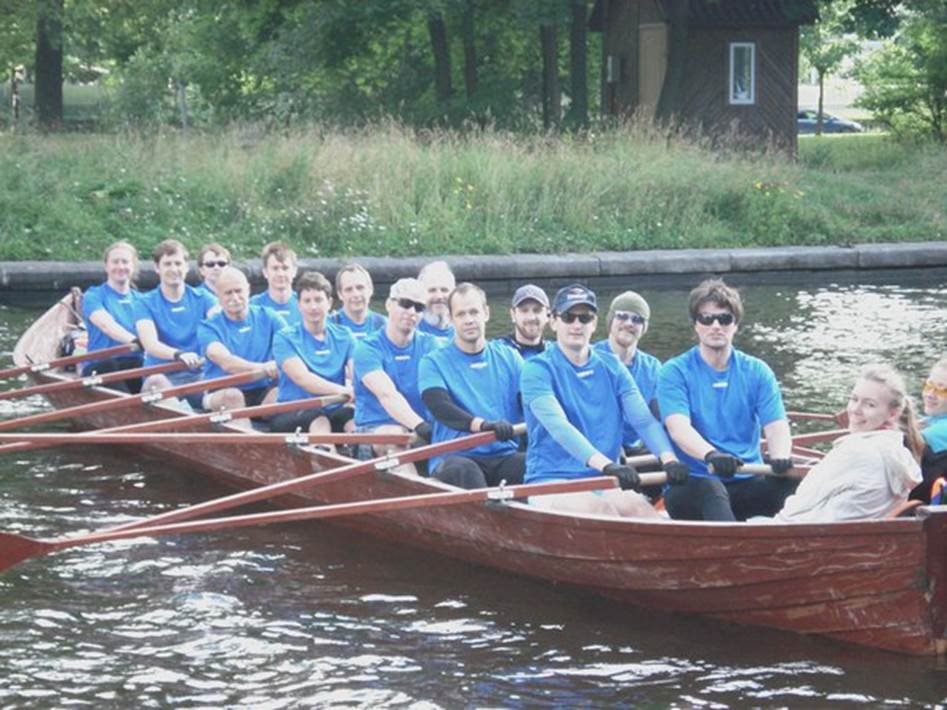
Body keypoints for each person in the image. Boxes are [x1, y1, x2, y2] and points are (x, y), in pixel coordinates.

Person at [520, 284, 687, 517]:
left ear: (594, 323)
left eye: (585, 317)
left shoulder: (612, 366)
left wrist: (668, 459)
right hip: (552, 480)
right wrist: (607, 465)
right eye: (569, 317)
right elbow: (559, 427)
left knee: (642, 511)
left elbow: (644, 421)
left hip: (602, 478)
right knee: (601, 510)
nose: (577, 325)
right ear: (554, 321)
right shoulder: (536, 370)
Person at [657, 278, 796, 522]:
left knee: (795, 486)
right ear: (696, 326)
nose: (715, 326)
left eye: (724, 319)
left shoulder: (758, 371)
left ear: (735, 325)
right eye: (706, 318)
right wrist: (711, 455)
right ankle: (736, 556)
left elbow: (776, 426)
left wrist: (781, 456)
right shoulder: (674, 371)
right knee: (712, 490)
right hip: (694, 482)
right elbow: (679, 429)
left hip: (747, 478)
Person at [773, 364, 923, 523]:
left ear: (892, 414)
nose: (855, 410)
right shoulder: (900, 454)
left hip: (814, 540)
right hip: (863, 541)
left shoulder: (855, 452)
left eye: (869, 404)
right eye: (854, 399)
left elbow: (795, 509)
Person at [419, 282, 525, 489]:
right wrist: (483, 425)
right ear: (450, 319)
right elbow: (440, 407)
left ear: (486, 313)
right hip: (455, 456)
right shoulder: (432, 362)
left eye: (474, 312)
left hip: (503, 454)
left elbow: (530, 401)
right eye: (461, 314)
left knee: (533, 466)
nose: (469, 320)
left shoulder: (510, 357)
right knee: (465, 471)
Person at [353, 277, 446, 459]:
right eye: (405, 303)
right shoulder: (367, 348)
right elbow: (388, 395)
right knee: (397, 437)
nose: (411, 311)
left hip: (420, 429)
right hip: (376, 431)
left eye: (419, 307)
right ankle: (418, 486)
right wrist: (421, 427)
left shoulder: (431, 345)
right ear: (388, 304)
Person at [271, 271, 355, 436]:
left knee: (355, 419)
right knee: (319, 419)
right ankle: (326, 455)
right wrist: (343, 390)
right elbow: (303, 378)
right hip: (293, 411)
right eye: (307, 301)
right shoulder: (284, 337)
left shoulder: (345, 336)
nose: (313, 307)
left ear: (329, 303)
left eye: (318, 300)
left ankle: (359, 452)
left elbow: (358, 372)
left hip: (333, 407)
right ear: (299, 305)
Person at [134, 239, 216, 396]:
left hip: (198, 375)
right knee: (156, 382)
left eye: (178, 264)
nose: (174, 269)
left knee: (229, 393)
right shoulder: (144, 303)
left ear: (186, 267)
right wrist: (179, 355)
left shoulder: (204, 298)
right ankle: (186, 414)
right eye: (168, 264)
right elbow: (150, 344)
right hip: (163, 376)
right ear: (157, 268)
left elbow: (221, 324)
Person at [197, 266, 283, 415]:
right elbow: (227, 362)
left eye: (238, 291)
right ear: (218, 296)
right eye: (228, 293)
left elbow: (292, 345)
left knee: (282, 393)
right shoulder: (208, 327)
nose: (235, 298)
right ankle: (248, 436)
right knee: (233, 397)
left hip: (262, 389)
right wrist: (263, 368)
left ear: (248, 290)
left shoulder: (269, 316)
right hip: (223, 391)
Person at [592, 291, 662, 453]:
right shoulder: (589, 358)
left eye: (637, 319)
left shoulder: (653, 368)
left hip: (637, 449)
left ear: (644, 327)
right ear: (610, 321)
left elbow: (660, 416)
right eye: (622, 316)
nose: (629, 323)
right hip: (595, 446)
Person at [80, 240, 143, 391]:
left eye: (125, 262)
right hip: (101, 365)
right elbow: (106, 325)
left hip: (134, 363)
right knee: (109, 366)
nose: (120, 267)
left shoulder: (142, 300)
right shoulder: (93, 296)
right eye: (115, 262)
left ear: (133, 266)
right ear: (106, 266)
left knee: (153, 373)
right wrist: (136, 341)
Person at [910, 357, 947, 502]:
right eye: (928, 385)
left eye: (942, 390)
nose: (930, 394)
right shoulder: (932, 422)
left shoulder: (931, 436)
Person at [329, 263, 386, 340]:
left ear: (371, 289)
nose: (356, 294)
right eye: (349, 289)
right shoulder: (329, 326)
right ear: (340, 294)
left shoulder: (385, 326)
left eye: (360, 288)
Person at [251, 241, 300, 326]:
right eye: (275, 268)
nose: (280, 274)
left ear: (294, 271)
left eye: (285, 268)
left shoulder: (305, 304)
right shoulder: (253, 306)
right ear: (265, 272)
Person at [498, 284, 551, 359]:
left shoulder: (557, 353)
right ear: (513, 315)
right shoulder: (497, 353)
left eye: (537, 310)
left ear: (547, 315)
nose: (531, 317)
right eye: (524, 310)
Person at [417, 260, 455, 338]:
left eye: (444, 290)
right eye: (432, 290)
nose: (439, 296)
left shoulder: (464, 330)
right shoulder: (411, 331)